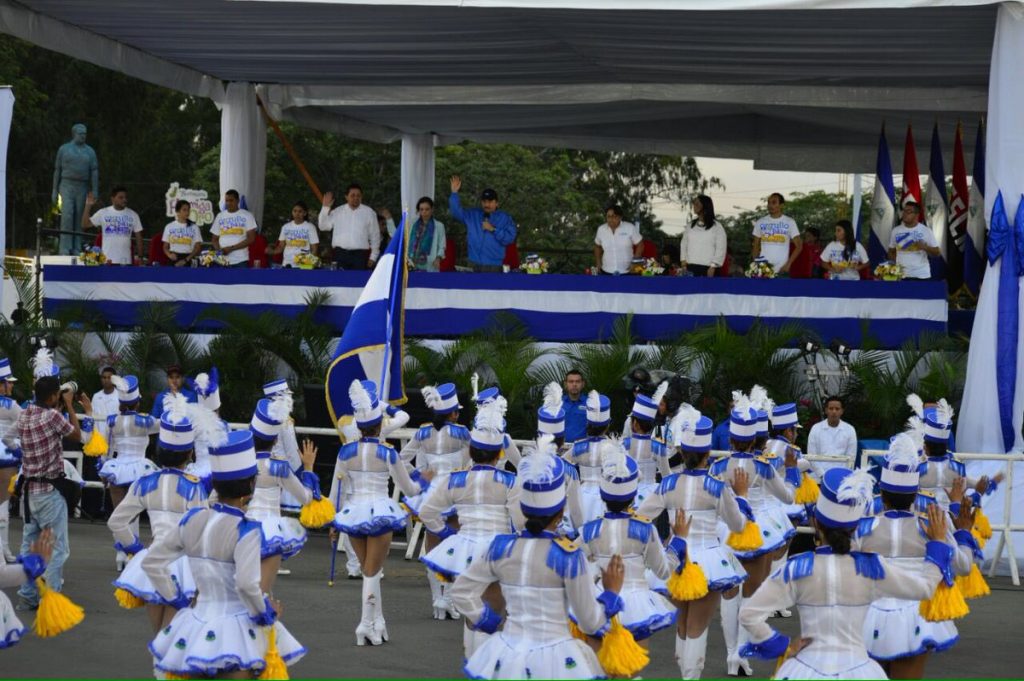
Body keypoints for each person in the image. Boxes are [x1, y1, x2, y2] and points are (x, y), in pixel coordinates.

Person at [738, 468, 954, 681]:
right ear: (855, 528)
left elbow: (748, 614)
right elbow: (925, 588)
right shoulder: (872, 568)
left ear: (815, 522)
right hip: (860, 669)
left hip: (805, 668)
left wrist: (782, 645)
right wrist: (937, 544)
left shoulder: (796, 569)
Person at [450, 437, 628, 680]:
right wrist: (611, 594)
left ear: (522, 508)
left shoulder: (501, 547)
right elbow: (590, 623)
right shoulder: (568, 555)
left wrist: (487, 620)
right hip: (555, 658)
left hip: (509, 653)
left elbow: (461, 591)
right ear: (561, 511)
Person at [144, 428, 306, 677]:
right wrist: (265, 613)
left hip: (195, 626)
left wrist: (176, 599)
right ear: (250, 486)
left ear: (216, 484)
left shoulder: (192, 519)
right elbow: (245, 584)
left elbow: (152, 563)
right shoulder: (247, 529)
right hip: (237, 629)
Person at [637, 408, 751, 679]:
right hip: (709, 561)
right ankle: (690, 677)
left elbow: (641, 518)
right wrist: (743, 496)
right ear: (707, 453)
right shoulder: (716, 486)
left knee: (684, 624)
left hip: (677, 556)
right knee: (698, 625)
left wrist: (664, 542)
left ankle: (685, 674)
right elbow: (738, 526)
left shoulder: (668, 484)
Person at [856, 434, 976, 680]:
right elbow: (964, 566)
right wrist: (963, 531)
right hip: (916, 617)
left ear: (883, 494)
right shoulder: (932, 526)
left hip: (868, 616)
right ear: (915, 495)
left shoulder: (863, 527)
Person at [419, 398, 523, 659]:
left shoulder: (456, 479)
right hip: (499, 550)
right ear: (499, 453)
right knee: (493, 614)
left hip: (463, 548)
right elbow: (520, 522)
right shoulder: (511, 480)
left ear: (472, 451)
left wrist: (445, 534)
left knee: (471, 611)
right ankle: (481, 667)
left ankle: (471, 663)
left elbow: (426, 512)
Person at [328, 380, 426, 645]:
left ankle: (377, 622)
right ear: (380, 425)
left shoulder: (345, 450)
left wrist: (332, 520)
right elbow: (409, 488)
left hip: (353, 514)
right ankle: (364, 623)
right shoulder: (387, 453)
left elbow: (336, 488)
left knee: (369, 570)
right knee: (372, 572)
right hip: (380, 512)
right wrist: (424, 479)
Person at [710, 391, 798, 676]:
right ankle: (741, 655)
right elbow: (787, 498)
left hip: (726, 532)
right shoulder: (763, 466)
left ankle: (730, 655)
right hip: (759, 534)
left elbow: (712, 503)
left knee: (729, 594)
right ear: (754, 439)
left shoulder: (717, 466)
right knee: (751, 594)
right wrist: (793, 472)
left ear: (732, 438)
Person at [107, 393, 208, 635]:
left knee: (159, 636)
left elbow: (116, 522)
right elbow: (203, 531)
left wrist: (136, 549)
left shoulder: (145, 483)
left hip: (153, 559)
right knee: (174, 635)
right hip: (184, 564)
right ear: (189, 454)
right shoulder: (195, 486)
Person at [7, 352, 92, 610]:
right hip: (50, 491)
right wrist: (69, 406)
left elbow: (8, 440)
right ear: (54, 396)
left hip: (29, 491)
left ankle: (27, 596)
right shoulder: (53, 416)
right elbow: (80, 437)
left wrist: (24, 453)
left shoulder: (24, 415)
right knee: (57, 548)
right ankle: (51, 601)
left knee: (30, 545)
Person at [581, 444, 677, 651]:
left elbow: (576, 569)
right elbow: (663, 570)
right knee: (630, 669)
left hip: (600, 600)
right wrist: (679, 542)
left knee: (599, 668)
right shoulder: (645, 528)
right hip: (637, 605)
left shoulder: (589, 530)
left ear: (603, 494)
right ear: (634, 495)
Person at [398, 382, 469, 620]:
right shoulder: (462, 432)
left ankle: (437, 599)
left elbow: (401, 459)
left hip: (429, 494)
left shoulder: (423, 432)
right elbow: (471, 464)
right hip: (454, 492)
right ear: (454, 413)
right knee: (453, 544)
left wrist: (421, 476)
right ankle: (448, 597)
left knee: (432, 545)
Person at [246, 397, 320, 592]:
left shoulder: (241, 464)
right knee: (263, 591)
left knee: (246, 588)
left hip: (242, 530)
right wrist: (308, 468)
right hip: (271, 532)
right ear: (275, 439)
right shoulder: (279, 467)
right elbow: (306, 497)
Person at [95, 375, 160, 571]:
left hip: (117, 468)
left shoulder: (112, 421)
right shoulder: (145, 421)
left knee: (119, 515)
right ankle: (132, 556)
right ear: (137, 401)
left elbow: (108, 448)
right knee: (133, 515)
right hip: (139, 468)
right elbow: (167, 425)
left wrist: (104, 469)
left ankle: (121, 553)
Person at [448, 176, 517, 272]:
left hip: (494, 266)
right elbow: (456, 212)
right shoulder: (473, 215)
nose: (487, 204)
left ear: (497, 203)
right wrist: (454, 193)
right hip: (473, 264)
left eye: (490, 201)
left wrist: (493, 229)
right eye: (484, 201)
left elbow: (509, 239)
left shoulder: (505, 218)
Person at [568, 391, 615, 523]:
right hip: (607, 496)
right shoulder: (614, 448)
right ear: (608, 424)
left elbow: (562, 464)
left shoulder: (578, 446)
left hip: (581, 496)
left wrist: (574, 482)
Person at [52, 123, 99, 254]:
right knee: (67, 215)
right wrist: (54, 190)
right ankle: (64, 247)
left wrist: (95, 189)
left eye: (85, 134)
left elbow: (94, 171)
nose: (83, 136)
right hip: (66, 184)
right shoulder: (64, 149)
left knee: (79, 217)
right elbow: (57, 170)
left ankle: (76, 246)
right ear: (74, 134)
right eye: (80, 134)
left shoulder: (90, 151)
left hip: (82, 186)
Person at [318, 183, 380, 270]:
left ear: (361, 197)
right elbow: (322, 226)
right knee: (339, 282)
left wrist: (373, 257)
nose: (356, 198)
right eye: (352, 195)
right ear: (346, 197)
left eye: (358, 195)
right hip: (340, 255)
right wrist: (325, 208)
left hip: (360, 256)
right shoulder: (337, 212)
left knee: (359, 283)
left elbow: (375, 236)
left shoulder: (369, 213)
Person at [82, 185, 144, 265]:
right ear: (112, 199)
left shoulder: (133, 215)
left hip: (125, 261)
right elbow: (85, 224)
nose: (124, 200)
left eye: (125, 197)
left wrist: (141, 258)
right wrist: (88, 205)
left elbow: (139, 238)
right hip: (106, 261)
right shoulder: (103, 212)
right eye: (121, 197)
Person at [750, 192, 802, 276]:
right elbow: (755, 245)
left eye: (774, 202)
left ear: (781, 205)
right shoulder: (760, 222)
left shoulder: (790, 222)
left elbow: (799, 246)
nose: (770, 205)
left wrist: (788, 265)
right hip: (763, 270)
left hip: (782, 270)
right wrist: (757, 264)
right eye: (769, 203)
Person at [0, 358, 21, 562]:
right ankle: (4, 549)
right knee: (3, 503)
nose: (12, 385)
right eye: (9, 381)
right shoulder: (11, 405)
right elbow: (25, 424)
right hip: (6, 454)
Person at [888, 202, 940, 280]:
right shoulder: (896, 231)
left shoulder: (925, 230)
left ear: (916, 215)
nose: (904, 214)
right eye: (904, 211)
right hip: (901, 275)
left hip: (921, 275)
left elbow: (937, 252)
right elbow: (891, 251)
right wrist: (896, 265)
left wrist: (925, 247)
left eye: (908, 211)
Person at [806, 395, 858, 473]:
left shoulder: (850, 430)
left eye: (837, 409)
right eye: (831, 408)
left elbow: (851, 457)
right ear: (826, 410)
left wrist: (841, 475)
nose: (834, 411)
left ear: (842, 411)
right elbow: (811, 455)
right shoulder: (815, 429)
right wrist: (822, 474)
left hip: (842, 476)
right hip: (818, 476)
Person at [680, 195, 727, 277]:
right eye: (694, 203)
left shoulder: (717, 227)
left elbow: (721, 248)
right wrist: (683, 263)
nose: (694, 206)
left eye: (697, 204)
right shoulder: (690, 225)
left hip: (709, 269)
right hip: (690, 268)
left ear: (705, 205)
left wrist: (713, 266)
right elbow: (684, 244)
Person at [210, 189, 258, 268]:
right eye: (227, 200)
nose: (228, 203)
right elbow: (214, 239)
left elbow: (251, 238)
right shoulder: (220, 216)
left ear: (238, 201)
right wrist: (219, 251)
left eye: (231, 200)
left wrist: (231, 248)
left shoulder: (247, 215)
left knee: (240, 281)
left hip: (240, 260)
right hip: (222, 260)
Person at [266, 201, 319, 268]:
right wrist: (272, 251)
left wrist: (308, 265)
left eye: (300, 211)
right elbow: (281, 246)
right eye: (295, 211)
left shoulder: (310, 227)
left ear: (305, 213)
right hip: (287, 264)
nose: (297, 214)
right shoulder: (285, 227)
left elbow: (314, 249)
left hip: (304, 265)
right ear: (292, 212)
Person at [594, 204, 642, 275]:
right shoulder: (601, 229)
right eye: (608, 217)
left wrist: (634, 262)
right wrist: (598, 263)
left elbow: (640, 245)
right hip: (606, 271)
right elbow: (597, 246)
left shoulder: (630, 228)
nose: (610, 219)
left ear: (620, 217)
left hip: (627, 271)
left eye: (614, 216)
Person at [408, 197, 447, 272]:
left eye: (427, 209)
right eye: (421, 209)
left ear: (432, 210)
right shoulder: (412, 223)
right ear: (418, 210)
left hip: (430, 265)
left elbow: (442, 245)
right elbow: (405, 240)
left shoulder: (439, 225)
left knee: (428, 283)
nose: (424, 212)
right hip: (411, 264)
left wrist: (438, 258)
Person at [161, 199, 203, 267]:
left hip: (189, 258)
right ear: (177, 212)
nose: (187, 212)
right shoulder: (169, 226)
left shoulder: (194, 227)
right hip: (173, 259)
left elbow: (197, 247)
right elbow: (165, 247)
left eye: (188, 210)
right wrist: (169, 255)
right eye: (184, 210)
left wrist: (186, 260)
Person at [561, 369, 588, 443]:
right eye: (571, 381)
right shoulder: (557, 403)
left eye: (577, 381)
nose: (574, 384)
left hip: (583, 449)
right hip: (560, 448)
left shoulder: (590, 403)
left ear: (583, 384)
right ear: (565, 384)